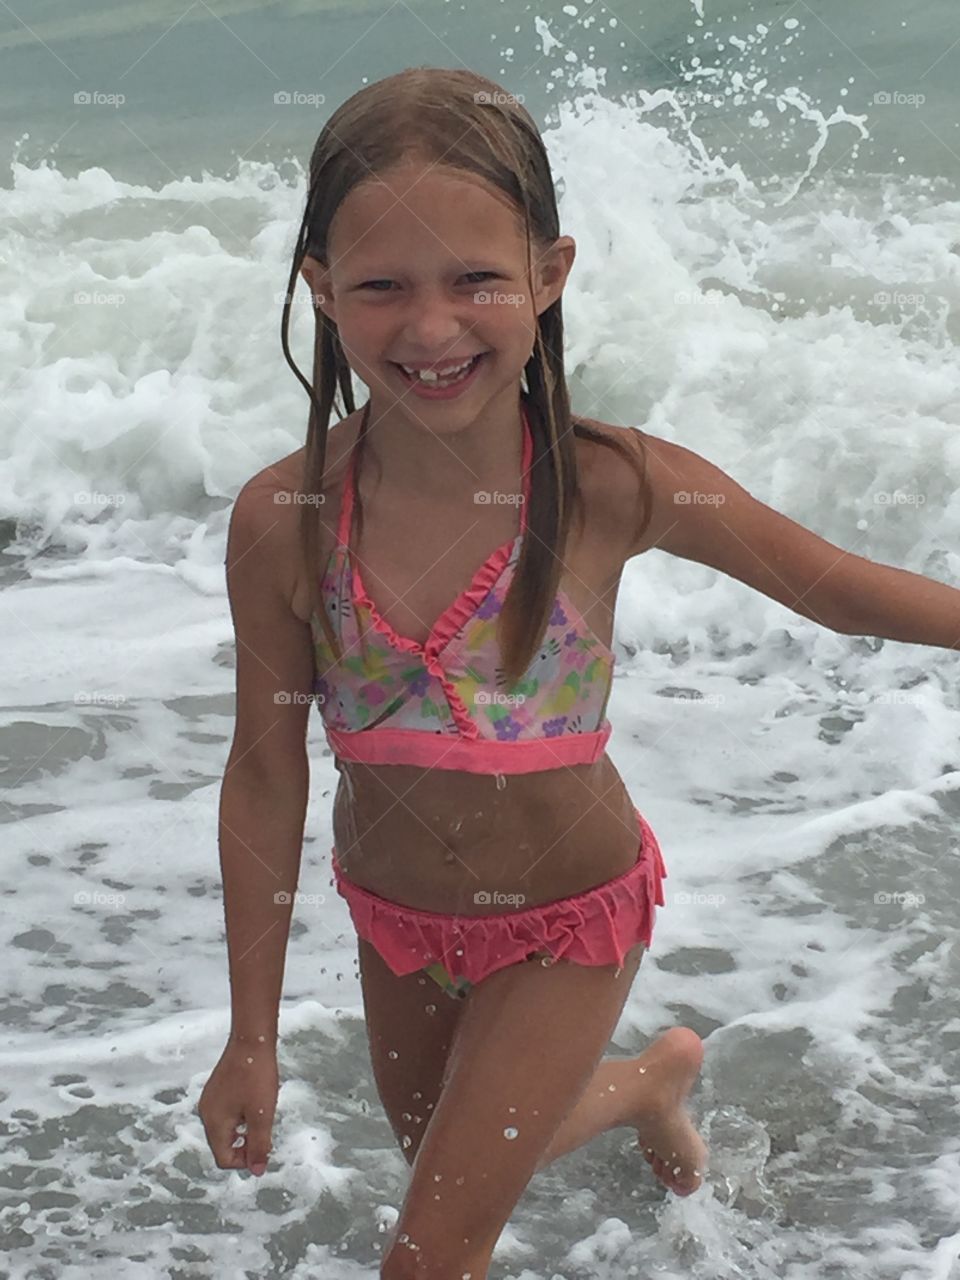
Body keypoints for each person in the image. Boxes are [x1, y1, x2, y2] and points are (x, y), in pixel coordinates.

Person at [198, 67, 960, 1280]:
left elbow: (830, 584)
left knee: (428, 1250)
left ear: (548, 275)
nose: (432, 327)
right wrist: (252, 1036)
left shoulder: (610, 482)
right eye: (384, 285)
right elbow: (262, 772)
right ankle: (647, 1084)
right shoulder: (284, 518)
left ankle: (629, 1074)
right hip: (397, 921)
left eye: (476, 280)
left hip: (570, 919)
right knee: (450, 1160)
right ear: (322, 288)